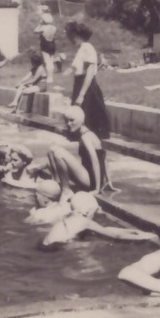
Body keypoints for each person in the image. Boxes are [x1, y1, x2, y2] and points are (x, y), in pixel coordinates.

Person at [65, 21, 114, 191]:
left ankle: (98, 179)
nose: (68, 38)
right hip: (81, 87)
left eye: (69, 34)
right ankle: (93, 174)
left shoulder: (87, 47)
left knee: (89, 132)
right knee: (82, 134)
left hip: (87, 90)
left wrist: (81, 95)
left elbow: (90, 73)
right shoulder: (81, 49)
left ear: (75, 34)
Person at [40, 191, 158, 248]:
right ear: (87, 211)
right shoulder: (85, 221)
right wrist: (144, 237)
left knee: (92, 238)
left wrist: (133, 232)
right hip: (59, 248)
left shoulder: (71, 218)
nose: (94, 216)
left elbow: (104, 229)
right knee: (94, 244)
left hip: (46, 246)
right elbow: (115, 236)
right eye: (94, 212)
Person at [45, 105, 108, 194]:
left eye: (72, 120)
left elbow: (96, 161)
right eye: (66, 121)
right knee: (52, 151)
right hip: (91, 178)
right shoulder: (91, 134)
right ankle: (56, 183)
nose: (68, 124)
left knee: (57, 152)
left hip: (90, 181)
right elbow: (104, 157)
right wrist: (108, 181)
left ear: (81, 120)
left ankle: (64, 191)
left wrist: (97, 189)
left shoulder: (85, 137)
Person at [36, 8, 60, 73]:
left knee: (47, 61)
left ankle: (49, 76)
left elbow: (35, 31)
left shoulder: (43, 27)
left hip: (45, 44)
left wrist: (40, 24)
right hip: (52, 44)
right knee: (50, 59)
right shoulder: (54, 27)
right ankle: (57, 60)